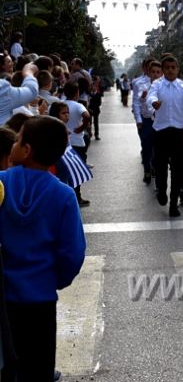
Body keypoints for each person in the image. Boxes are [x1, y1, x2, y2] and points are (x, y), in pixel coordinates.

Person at [0, 116, 86, 382]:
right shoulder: (63, 195)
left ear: (26, 150)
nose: (13, 145)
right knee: (39, 366)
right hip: (40, 298)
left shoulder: (1, 182)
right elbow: (73, 252)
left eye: (17, 140)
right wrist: (54, 280)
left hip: (4, 298)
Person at [147, 56, 183, 218]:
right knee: (160, 165)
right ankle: (161, 191)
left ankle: (173, 204)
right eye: (167, 67)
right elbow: (151, 96)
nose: (170, 70)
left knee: (177, 169)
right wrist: (154, 103)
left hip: (177, 133)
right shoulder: (157, 84)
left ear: (178, 69)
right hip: (160, 132)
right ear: (163, 70)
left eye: (173, 67)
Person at [63, 82, 91, 207]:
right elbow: (87, 115)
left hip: (63, 142)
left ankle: (65, 197)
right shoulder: (78, 105)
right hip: (77, 142)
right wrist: (82, 127)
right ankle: (77, 197)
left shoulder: (60, 104)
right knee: (75, 172)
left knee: (64, 171)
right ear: (77, 93)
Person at [135, 61, 162, 184]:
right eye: (153, 72)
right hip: (146, 120)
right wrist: (139, 120)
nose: (155, 74)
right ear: (149, 73)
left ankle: (156, 168)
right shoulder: (141, 84)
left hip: (161, 121)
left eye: (158, 72)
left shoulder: (164, 85)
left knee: (158, 148)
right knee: (146, 147)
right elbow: (137, 102)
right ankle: (147, 169)